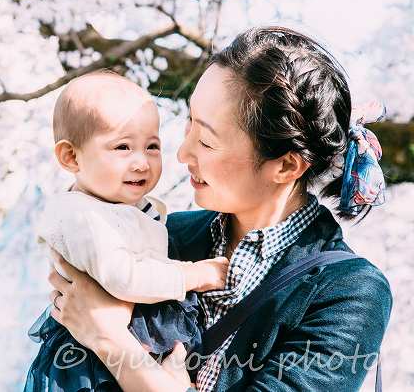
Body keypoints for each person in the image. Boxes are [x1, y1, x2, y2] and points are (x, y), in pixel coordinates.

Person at [46, 27, 392, 391]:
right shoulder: (168, 234)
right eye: (188, 123)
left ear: (287, 166)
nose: (181, 154)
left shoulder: (349, 292)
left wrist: (109, 339)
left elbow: (99, 329)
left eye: (207, 142)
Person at [24, 71, 229, 392]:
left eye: (151, 146)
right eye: (122, 147)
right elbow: (124, 277)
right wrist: (193, 276)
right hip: (93, 364)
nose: (141, 163)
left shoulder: (133, 208)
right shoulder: (82, 216)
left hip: (133, 341)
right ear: (71, 156)